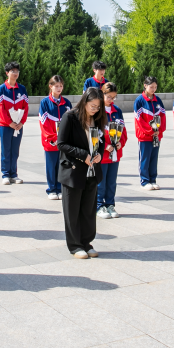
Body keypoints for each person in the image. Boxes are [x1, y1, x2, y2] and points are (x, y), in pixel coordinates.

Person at [57, 87, 106, 259]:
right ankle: (75, 245)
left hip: (92, 171)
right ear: (85, 101)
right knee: (72, 211)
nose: (95, 110)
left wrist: (99, 154)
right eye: (93, 106)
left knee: (88, 211)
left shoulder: (98, 118)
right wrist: (83, 155)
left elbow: (101, 140)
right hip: (73, 171)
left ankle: (87, 242)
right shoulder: (70, 117)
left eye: (98, 107)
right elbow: (61, 143)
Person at [97, 81, 127, 219]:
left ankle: (110, 204)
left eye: (114, 97)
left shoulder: (117, 111)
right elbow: (93, 132)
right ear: (102, 94)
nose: (111, 100)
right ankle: (99, 205)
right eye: (109, 96)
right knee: (101, 181)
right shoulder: (97, 110)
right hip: (102, 154)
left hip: (115, 154)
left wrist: (121, 142)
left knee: (111, 181)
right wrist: (104, 146)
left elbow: (123, 131)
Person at [39, 75, 72, 200]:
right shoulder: (44, 103)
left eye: (61, 86)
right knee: (51, 166)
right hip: (50, 142)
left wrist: (65, 137)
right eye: (56, 86)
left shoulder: (67, 103)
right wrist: (53, 138)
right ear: (50, 86)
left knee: (62, 165)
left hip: (64, 141)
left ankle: (60, 188)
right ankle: (52, 189)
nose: (59, 88)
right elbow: (44, 123)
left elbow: (71, 122)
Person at [0, 61, 28, 185]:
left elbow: (25, 107)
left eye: (17, 71)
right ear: (7, 73)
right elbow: (0, 109)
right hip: (5, 126)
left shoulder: (22, 89)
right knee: (6, 150)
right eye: (12, 71)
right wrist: (9, 123)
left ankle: (14, 174)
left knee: (15, 151)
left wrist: (21, 122)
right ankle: (5, 174)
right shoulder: (1, 89)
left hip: (18, 126)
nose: (15, 73)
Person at [134, 76, 167, 190]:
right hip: (144, 136)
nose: (153, 89)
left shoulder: (158, 100)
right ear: (145, 86)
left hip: (156, 136)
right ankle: (144, 181)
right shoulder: (139, 101)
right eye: (151, 87)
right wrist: (150, 130)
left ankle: (153, 180)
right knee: (145, 158)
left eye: (155, 87)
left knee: (154, 158)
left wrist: (159, 130)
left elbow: (163, 116)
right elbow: (139, 120)